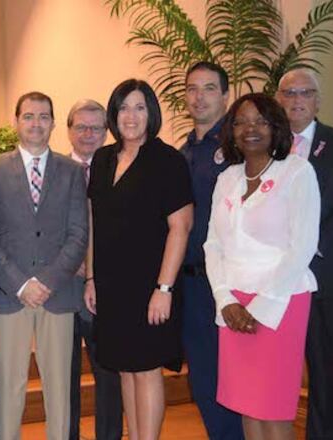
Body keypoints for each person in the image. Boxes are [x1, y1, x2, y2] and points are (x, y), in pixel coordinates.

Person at [205, 93, 321, 440]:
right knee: (246, 404)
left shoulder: (297, 171)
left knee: (273, 408)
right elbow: (213, 244)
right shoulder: (227, 177)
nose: (249, 129)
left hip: (280, 301)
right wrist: (226, 301)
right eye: (240, 121)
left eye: (259, 121)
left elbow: (303, 247)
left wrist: (260, 307)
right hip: (232, 303)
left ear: (276, 127)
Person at [84, 79, 193, 440]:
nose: (131, 116)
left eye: (139, 107)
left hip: (149, 285)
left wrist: (164, 288)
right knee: (125, 369)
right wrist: (91, 278)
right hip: (112, 286)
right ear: (114, 115)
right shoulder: (102, 159)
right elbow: (93, 219)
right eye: (123, 107)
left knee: (146, 369)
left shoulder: (168, 161)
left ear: (152, 113)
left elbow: (181, 227)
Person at [0, 92, 88, 440]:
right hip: (9, 294)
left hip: (57, 294)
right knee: (10, 386)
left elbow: (78, 235)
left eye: (44, 116)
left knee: (59, 388)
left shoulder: (72, 171)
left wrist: (46, 281)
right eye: (29, 116)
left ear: (54, 124)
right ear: (16, 122)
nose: (36, 123)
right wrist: (22, 284)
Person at [275, 69, 333, 440]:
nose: (297, 100)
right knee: (277, 364)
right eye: (289, 92)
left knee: (323, 362)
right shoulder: (267, 144)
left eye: (306, 93)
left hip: (320, 272)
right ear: (278, 99)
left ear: (318, 100)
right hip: (274, 276)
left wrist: (306, 252)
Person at [180, 62, 244, 440]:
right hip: (189, 286)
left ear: (224, 95)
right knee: (203, 380)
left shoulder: (238, 148)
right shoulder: (180, 151)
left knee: (234, 382)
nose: (198, 97)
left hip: (228, 284)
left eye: (208, 88)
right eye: (192, 89)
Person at [65, 99, 123, 440]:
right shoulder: (54, 169)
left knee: (109, 376)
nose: (89, 134)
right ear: (69, 130)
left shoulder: (121, 167)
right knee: (64, 377)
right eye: (81, 127)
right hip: (62, 289)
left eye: (96, 128)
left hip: (107, 289)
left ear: (107, 132)